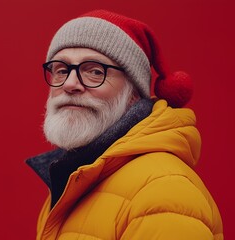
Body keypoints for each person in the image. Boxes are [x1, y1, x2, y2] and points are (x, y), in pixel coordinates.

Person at [26, 9, 223, 240]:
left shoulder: (162, 193)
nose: (70, 83)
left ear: (133, 94)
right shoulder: (73, 179)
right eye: (61, 70)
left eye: (95, 71)